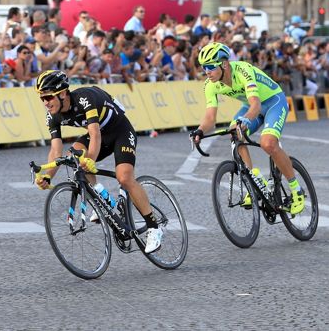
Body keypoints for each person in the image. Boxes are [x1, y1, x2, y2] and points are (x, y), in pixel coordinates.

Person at [33, 70, 163, 253]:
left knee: (124, 177)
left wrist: (90, 160)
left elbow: (95, 134)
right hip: (99, 135)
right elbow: (56, 149)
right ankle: (104, 199)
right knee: (75, 156)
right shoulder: (52, 116)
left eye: (48, 97)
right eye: (42, 99)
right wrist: (47, 176)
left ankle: (154, 227)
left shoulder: (85, 98)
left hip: (120, 132)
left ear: (62, 93)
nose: (45, 103)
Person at [190, 42, 305, 214]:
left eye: (210, 67)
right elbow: (210, 118)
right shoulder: (210, 84)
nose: (207, 72)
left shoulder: (243, 71)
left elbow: (256, 104)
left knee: (268, 144)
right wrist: (199, 130)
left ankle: (297, 191)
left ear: (224, 64)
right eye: (204, 67)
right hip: (250, 107)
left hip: (273, 102)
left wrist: (244, 120)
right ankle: (254, 182)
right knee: (234, 133)